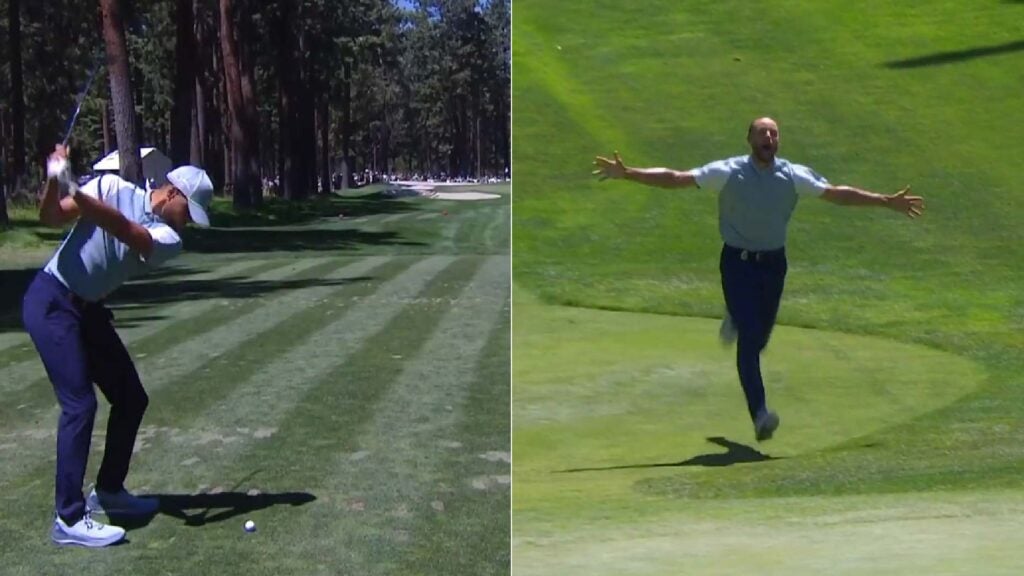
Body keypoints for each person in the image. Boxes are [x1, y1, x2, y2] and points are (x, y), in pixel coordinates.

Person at [592, 117, 924, 442]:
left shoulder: (792, 175)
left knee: (760, 337)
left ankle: (736, 318)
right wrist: (629, 173)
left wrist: (885, 202)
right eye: (762, 132)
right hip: (737, 263)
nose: (768, 137)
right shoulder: (729, 171)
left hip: (773, 266)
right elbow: (677, 178)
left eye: (774, 133)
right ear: (750, 140)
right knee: (750, 343)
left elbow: (837, 194)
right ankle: (760, 415)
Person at [22, 144, 214, 547]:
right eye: (189, 213)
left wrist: (70, 181)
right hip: (52, 301)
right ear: (174, 193)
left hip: (87, 311)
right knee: (80, 404)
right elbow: (51, 216)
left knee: (131, 398)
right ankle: (69, 518)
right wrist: (54, 178)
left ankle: (109, 490)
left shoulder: (167, 237)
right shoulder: (110, 187)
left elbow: (128, 232)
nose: (188, 224)